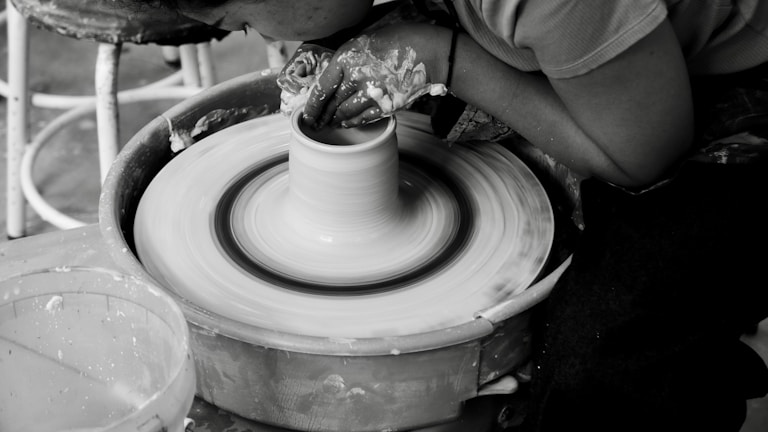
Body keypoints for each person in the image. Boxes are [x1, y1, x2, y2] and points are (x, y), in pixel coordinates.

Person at [141, 0, 768, 430]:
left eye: (244, 19)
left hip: (740, 82)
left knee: (608, 350)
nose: (266, 37)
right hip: (632, 54)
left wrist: (447, 59)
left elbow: (642, 155)